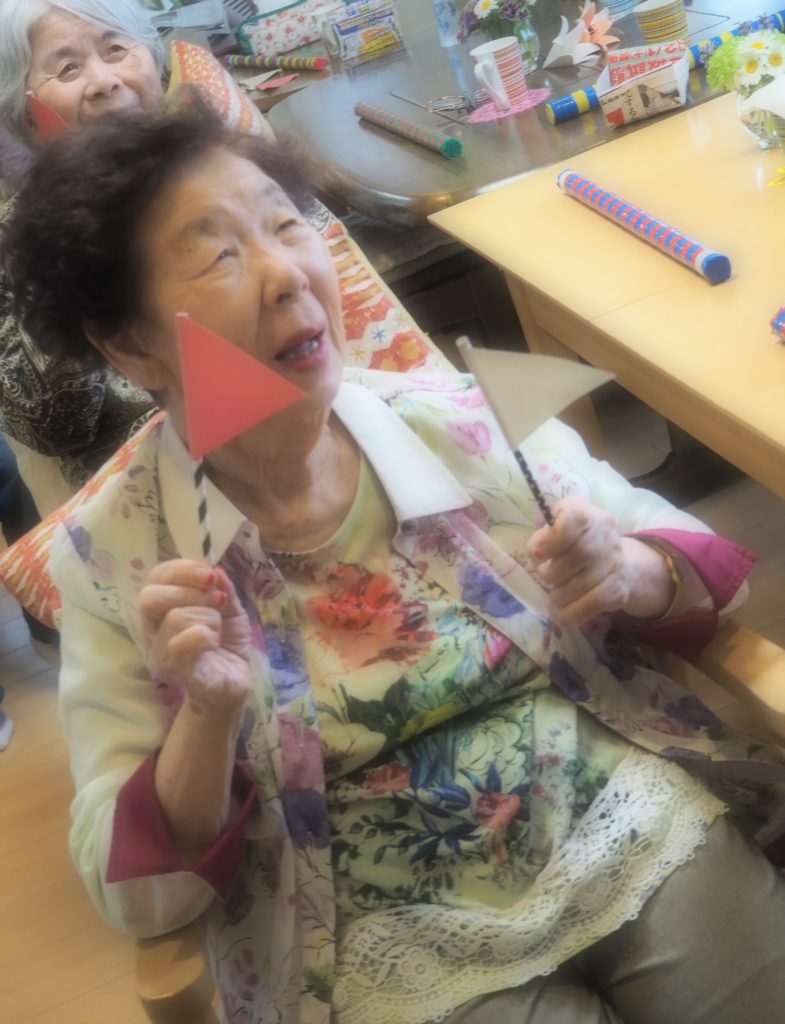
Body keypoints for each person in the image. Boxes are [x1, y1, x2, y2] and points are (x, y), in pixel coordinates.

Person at [5, 111, 785, 1024]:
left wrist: (623, 572)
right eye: (218, 257)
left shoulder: (453, 423)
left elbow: (697, 566)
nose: (287, 273)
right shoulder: (116, 561)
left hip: (620, 819)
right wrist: (206, 720)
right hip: (382, 937)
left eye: (287, 223)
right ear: (129, 345)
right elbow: (136, 896)